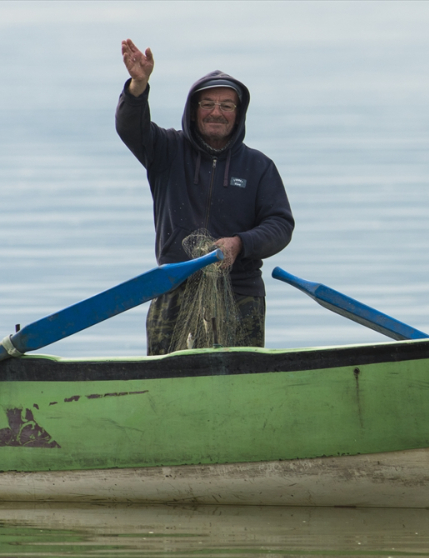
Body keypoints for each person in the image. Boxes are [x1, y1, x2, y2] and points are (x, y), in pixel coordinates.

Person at [116, 39, 295, 355]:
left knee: (242, 378)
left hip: (241, 294)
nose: (216, 112)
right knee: (165, 378)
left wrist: (239, 243)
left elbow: (280, 225)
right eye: (207, 104)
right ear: (193, 111)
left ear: (238, 114)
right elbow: (130, 127)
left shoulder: (259, 167)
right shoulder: (166, 151)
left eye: (226, 106)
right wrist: (138, 86)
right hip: (173, 290)